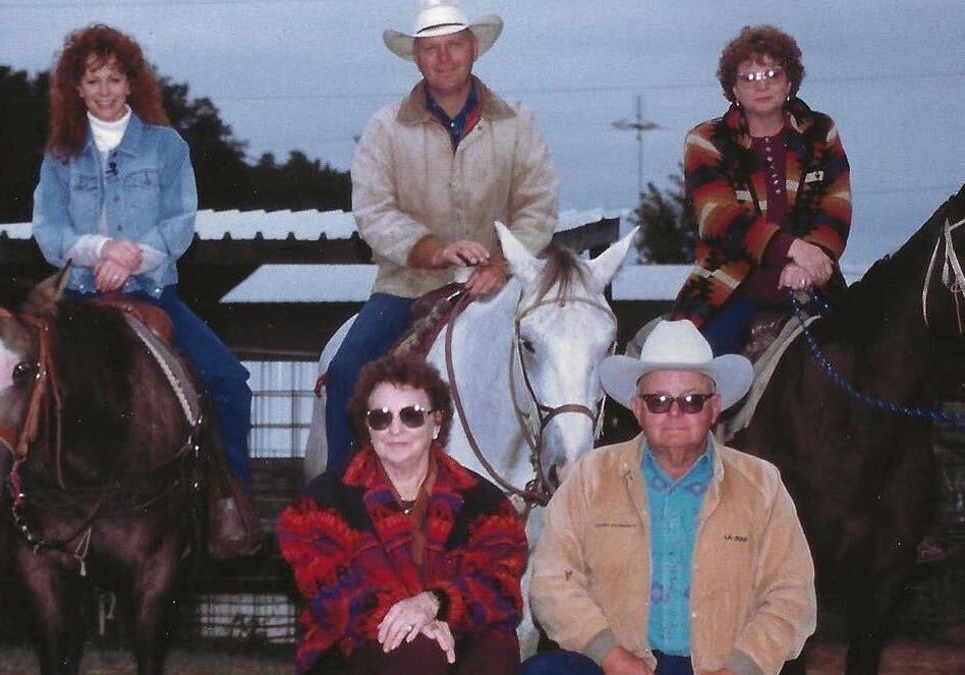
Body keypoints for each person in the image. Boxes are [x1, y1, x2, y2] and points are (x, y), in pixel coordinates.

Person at [324, 0, 559, 467]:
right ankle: (341, 497)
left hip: (499, 286)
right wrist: (433, 251)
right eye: (431, 49)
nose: (444, 57)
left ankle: (555, 483)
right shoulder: (385, 128)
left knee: (562, 368)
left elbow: (537, 205)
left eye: (454, 45)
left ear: (474, 49)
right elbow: (372, 209)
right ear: (416, 57)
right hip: (406, 287)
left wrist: (500, 263)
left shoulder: (516, 122)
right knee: (347, 374)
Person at [524, 320, 816, 675]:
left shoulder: (762, 484)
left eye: (692, 401)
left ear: (714, 408)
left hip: (719, 665)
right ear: (638, 408)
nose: (674, 413)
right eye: (658, 400)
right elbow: (552, 579)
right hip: (614, 663)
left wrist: (741, 667)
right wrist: (611, 655)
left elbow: (791, 596)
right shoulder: (590, 477)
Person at [31, 24, 252, 488]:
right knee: (21, 392)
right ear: (76, 88)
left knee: (228, 383)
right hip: (79, 297)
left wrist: (132, 259)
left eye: (114, 78)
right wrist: (100, 249)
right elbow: (49, 230)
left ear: (132, 82)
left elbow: (179, 221)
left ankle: (233, 502)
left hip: (153, 292)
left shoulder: (166, 146)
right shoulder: (59, 155)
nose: (104, 90)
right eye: (93, 80)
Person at [280, 354, 528, 674]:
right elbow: (330, 593)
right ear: (366, 427)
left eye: (411, 416)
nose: (395, 429)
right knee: (418, 651)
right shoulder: (321, 502)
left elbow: (501, 586)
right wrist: (412, 620)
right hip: (355, 642)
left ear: (436, 423)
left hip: (455, 629)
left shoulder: (484, 501)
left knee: (496, 650)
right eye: (380, 418)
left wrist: (434, 604)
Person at [670, 25, 851, 356]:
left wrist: (809, 262)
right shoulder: (706, 140)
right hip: (731, 285)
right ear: (733, 89)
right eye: (749, 77)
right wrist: (793, 249)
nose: (762, 84)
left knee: (874, 362)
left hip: (813, 281)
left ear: (790, 82)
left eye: (772, 73)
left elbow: (836, 207)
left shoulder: (821, 132)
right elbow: (719, 218)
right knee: (696, 371)